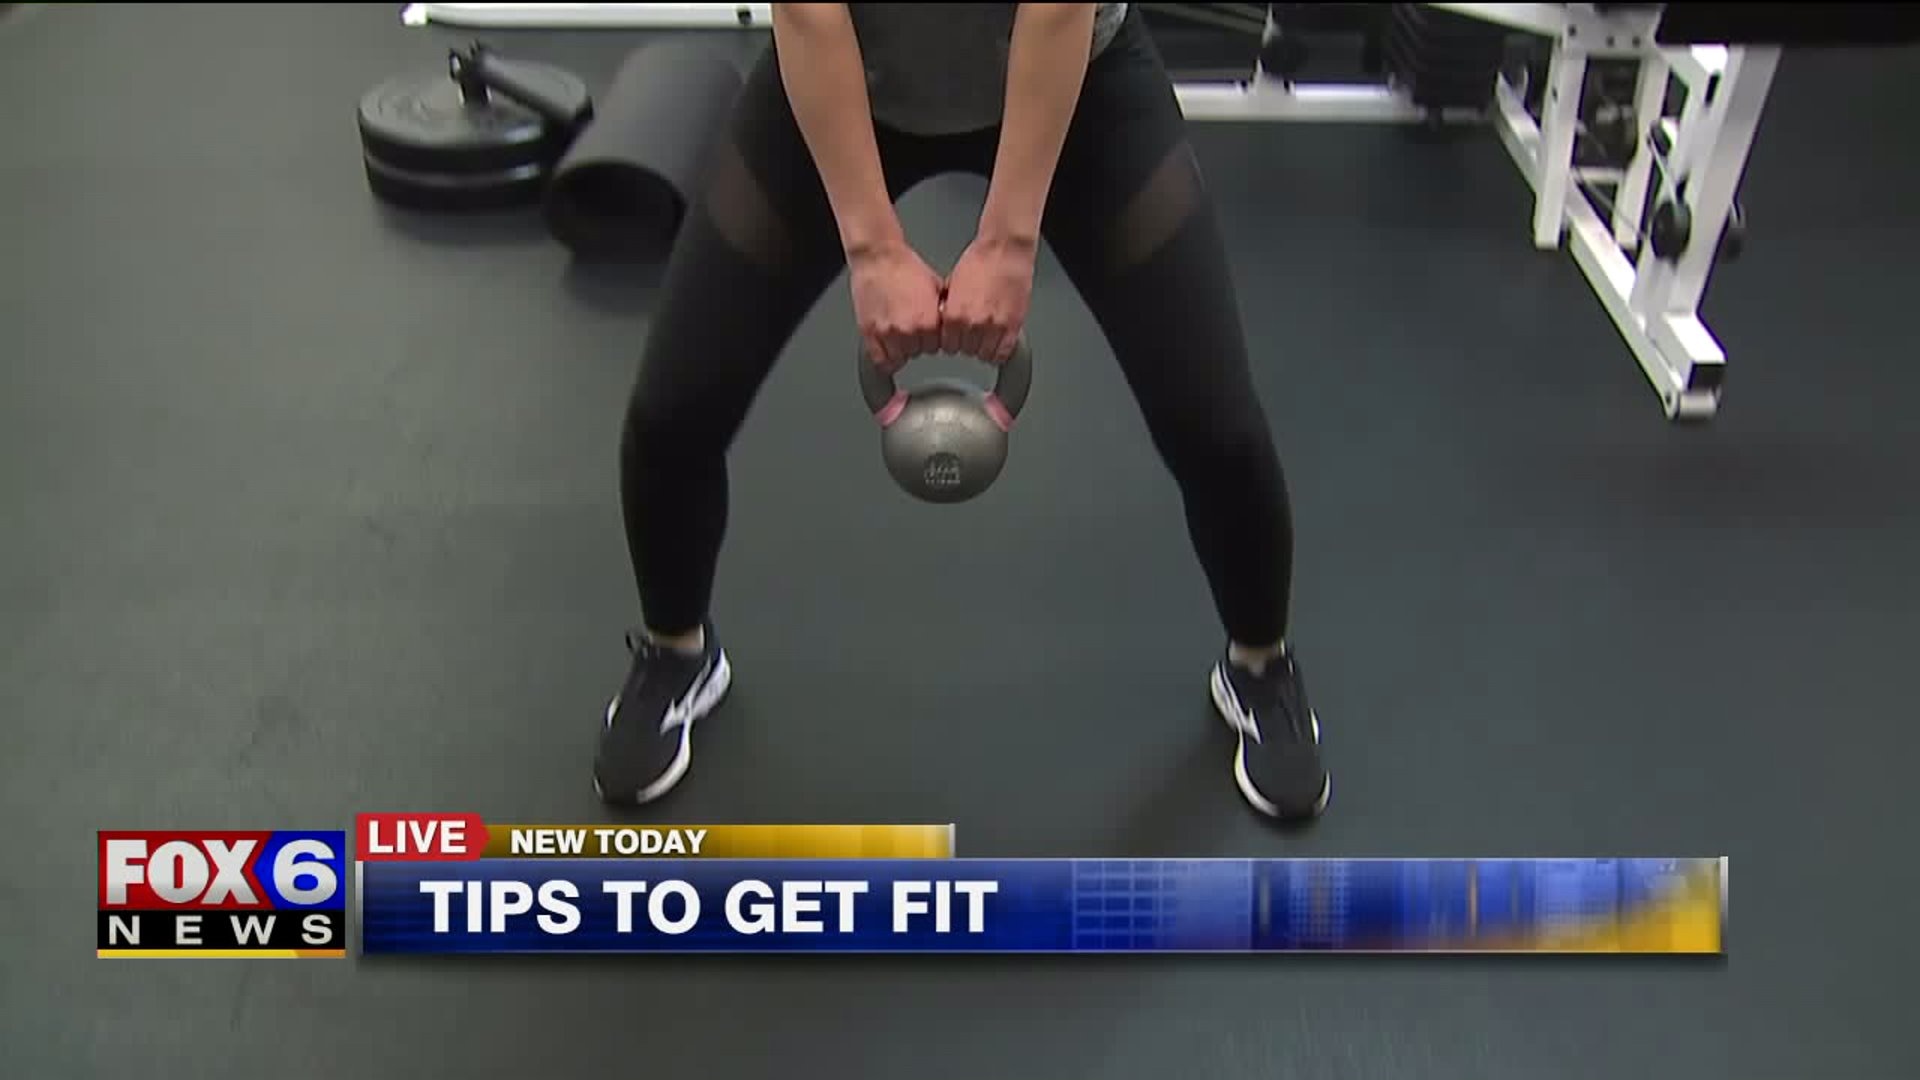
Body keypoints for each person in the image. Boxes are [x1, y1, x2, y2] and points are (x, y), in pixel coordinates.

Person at [596, 3, 1330, 823]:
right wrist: (873, 248)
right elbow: (806, 10)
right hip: (848, 78)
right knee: (673, 410)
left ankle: (1259, 666)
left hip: (1077, 82)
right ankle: (677, 655)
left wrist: (1008, 245)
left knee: (1217, 425)